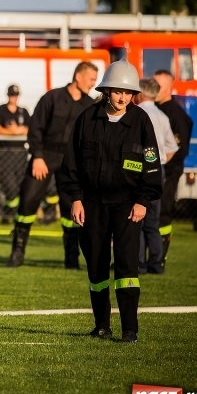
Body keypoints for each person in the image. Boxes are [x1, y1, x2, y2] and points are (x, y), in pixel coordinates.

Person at [58, 59, 163, 344]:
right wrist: (75, 199)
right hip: (91, 204)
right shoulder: (87, 119)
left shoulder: (141, 121)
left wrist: (143, 200)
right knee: (96, 266)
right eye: (118, 91)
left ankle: (130, 329)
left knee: (127, 267)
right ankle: (101, 325)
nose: (122, 98)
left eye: (128, 93)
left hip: (128, 205)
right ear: (106, 91)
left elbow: (151, 164)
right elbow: (71, 164)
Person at [7, 62, 98, 268]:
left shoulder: (90, 106)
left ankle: (71, 259)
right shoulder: (52, 98)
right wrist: (37, 156)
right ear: (78, 76)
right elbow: (35, 129)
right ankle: (17, 254)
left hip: (71, 163)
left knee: (70, 209)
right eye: (91, 79)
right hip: (44, 157)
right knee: (28, 202)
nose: (93, 84)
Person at [134, 78, 178, 274]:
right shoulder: (162, 116)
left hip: (138, 167)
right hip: (157, 169)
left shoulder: (137, 114)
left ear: (141, 93)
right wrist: (160, 162)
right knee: (153, 220)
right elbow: (172, 147)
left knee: (136, 218)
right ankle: (156, 262)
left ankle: (138, 263)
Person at [153, 69, 193, 265]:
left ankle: (160, 257)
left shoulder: (177, 115)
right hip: (153, 170)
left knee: (163, 212)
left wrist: (160, 166)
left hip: (168, 171)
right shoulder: (150, 108)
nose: (153, 89)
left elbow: (178, 148)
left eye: (158, 86)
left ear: (169, 88)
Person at [0, 85, 30, 223]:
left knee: (20, 185)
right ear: (8, 95)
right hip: (6, 152)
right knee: (8, 185)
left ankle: (12, 215)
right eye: (12, 95)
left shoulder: (23, 111)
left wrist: (16, 131)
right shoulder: (0, 111)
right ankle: (8, 213)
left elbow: (28, 129)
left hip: (21, 153)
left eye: (16, 95)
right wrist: (13, 132)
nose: (14, 98)